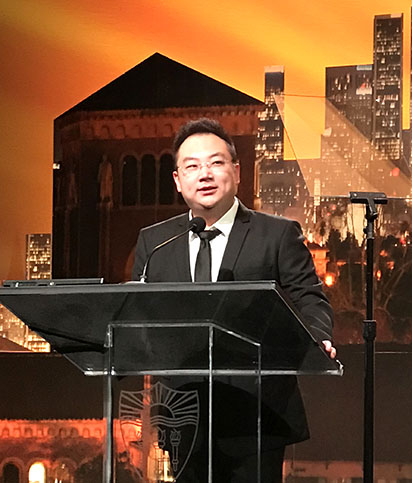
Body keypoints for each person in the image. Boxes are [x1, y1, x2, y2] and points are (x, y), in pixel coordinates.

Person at [131, 118, 335, 482]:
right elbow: (138, 312)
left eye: (216, 162)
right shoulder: (155, 242)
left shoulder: (276, 235)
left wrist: (317, 336)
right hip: (184, 416)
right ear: (178, 180)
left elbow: (308, 296)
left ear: (237, 172)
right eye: (192, 166)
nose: (205, 174)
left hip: (256, 414)